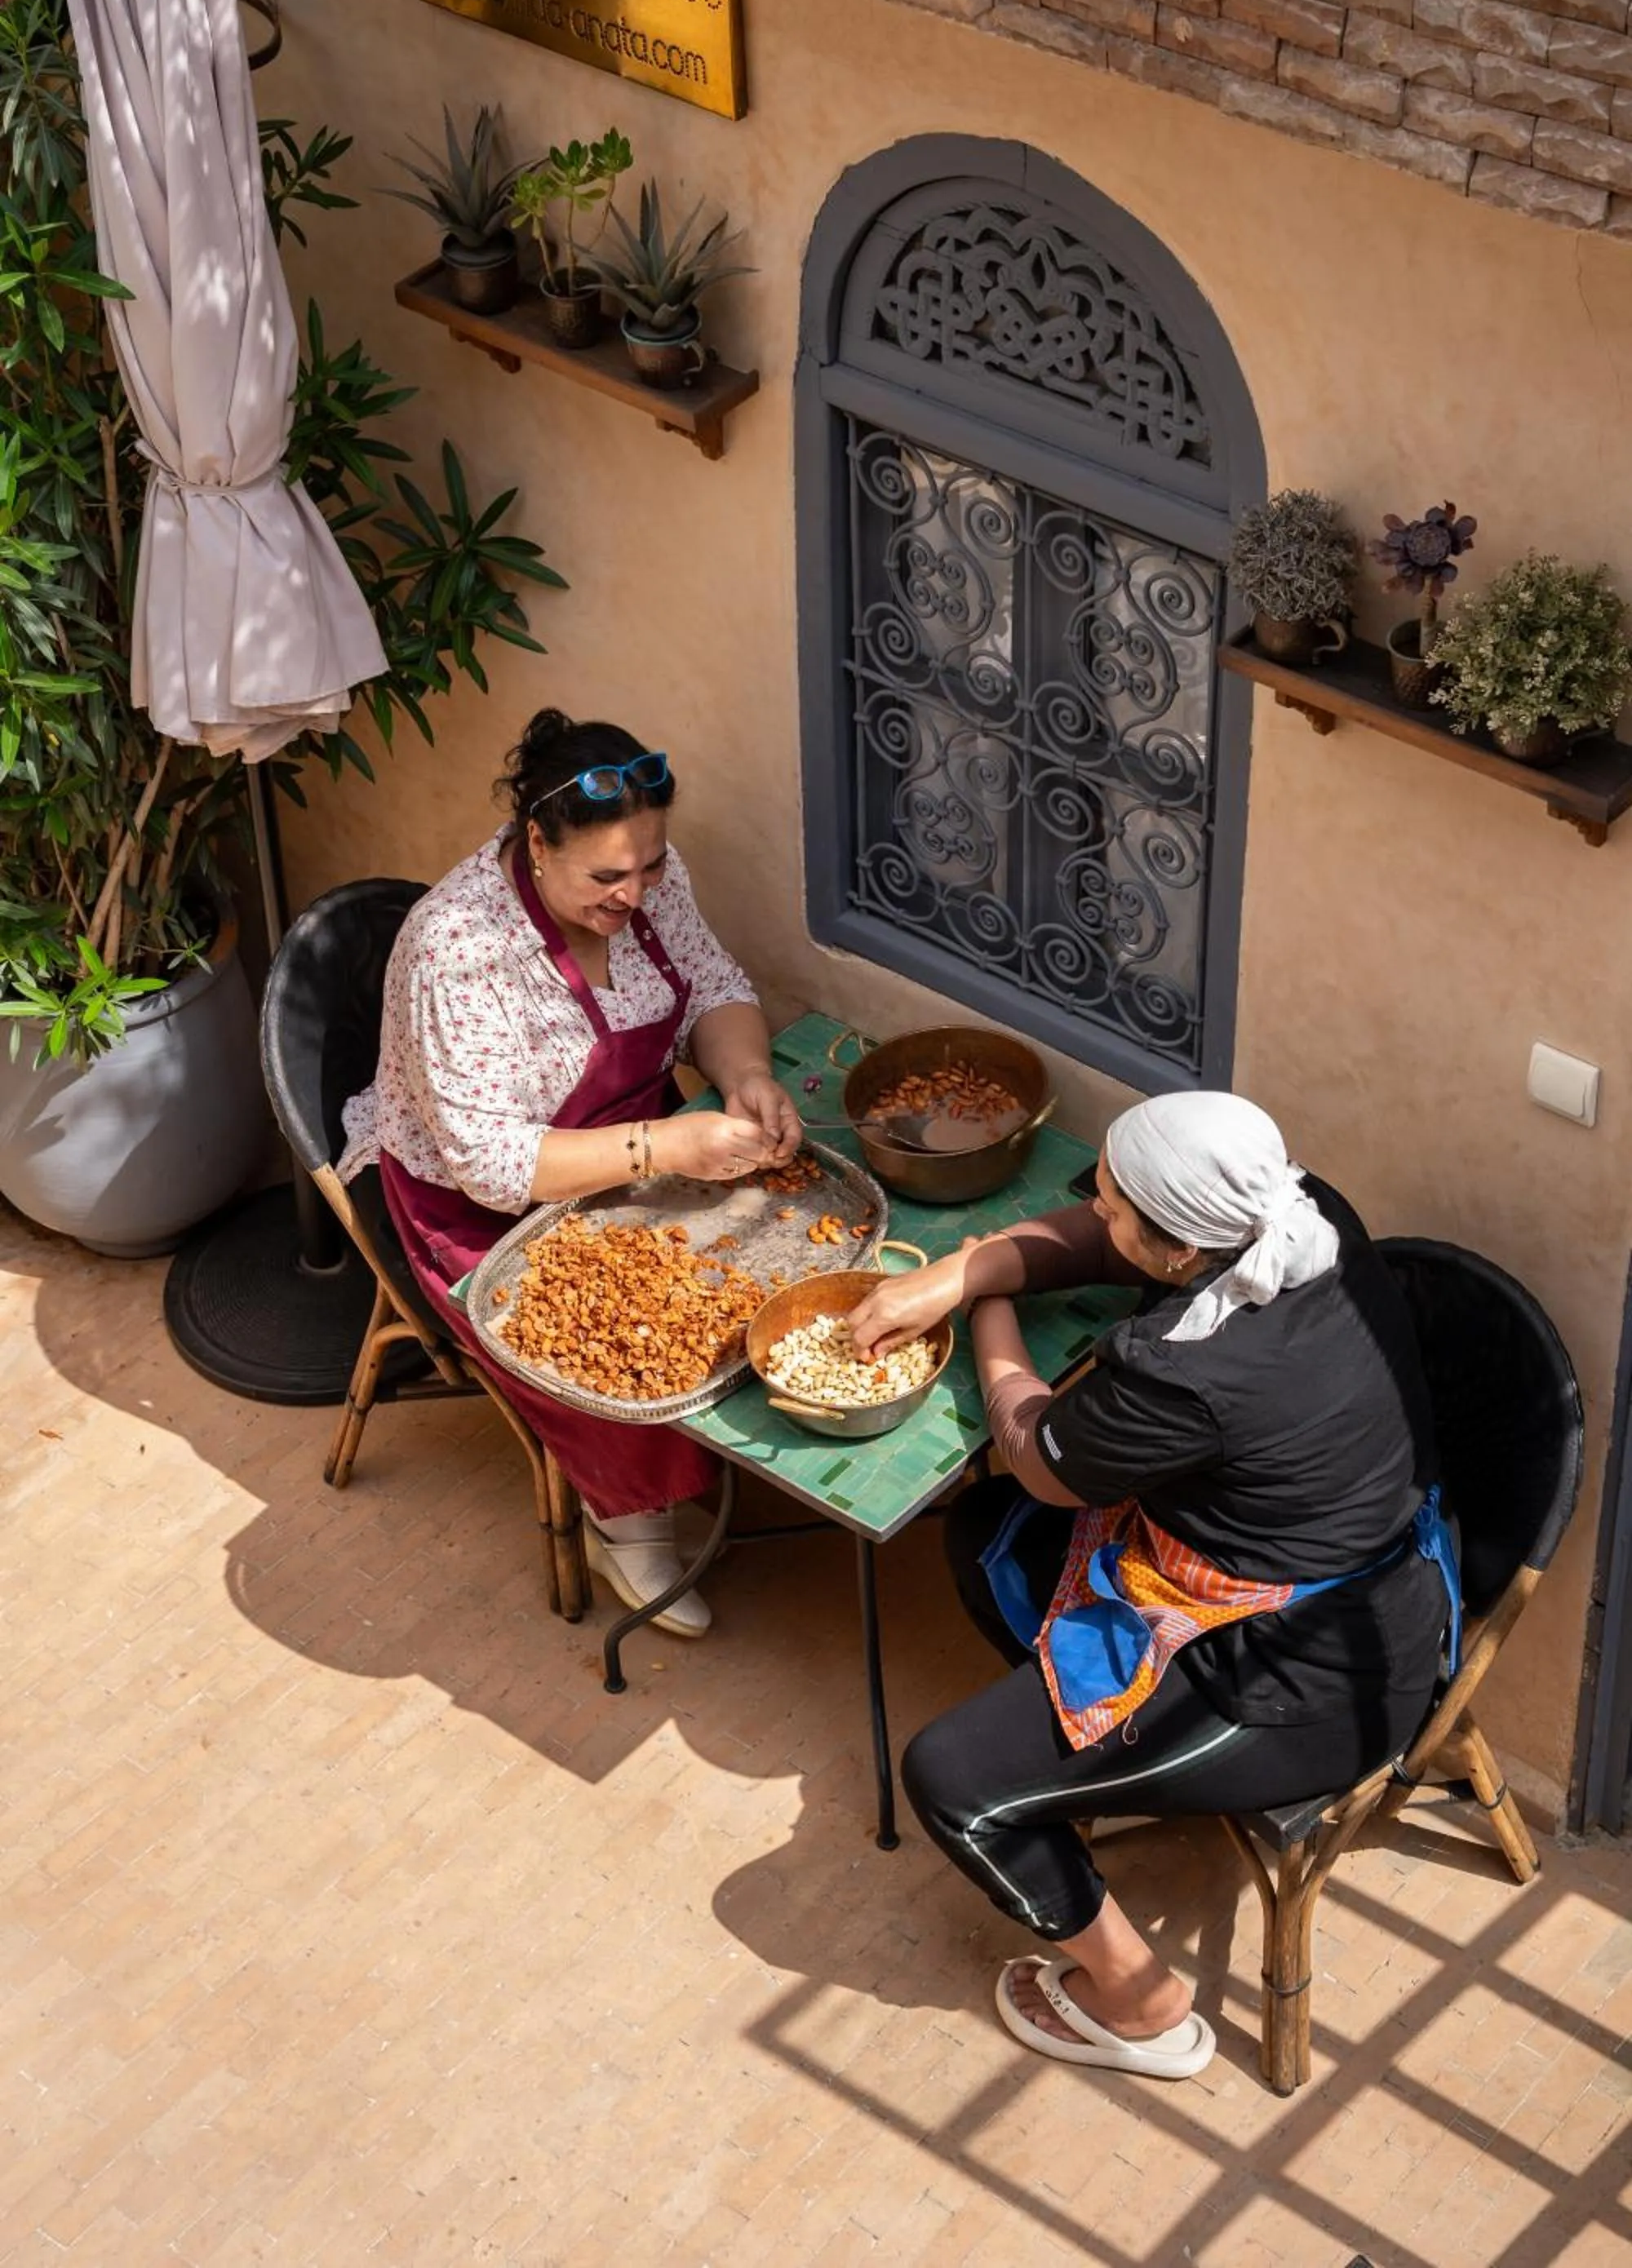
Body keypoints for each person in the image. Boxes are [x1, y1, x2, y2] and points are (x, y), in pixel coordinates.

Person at [846, 1092, 1456, 2080]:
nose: (1096, 1205)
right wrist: (962, 1266)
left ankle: (1137, 2000)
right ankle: (1082, 1761)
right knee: (986, 1538)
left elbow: (1038, 1454)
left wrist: (981, 1306)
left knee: (952, 1783)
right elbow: (1100, 1241)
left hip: (1305, 1681)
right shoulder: (1301, 1212)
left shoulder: (1183, 1374)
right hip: (1330, 1562)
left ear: (1179, 1253)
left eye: (1118, 1204)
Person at [340, 708, 803, 1636]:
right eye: (607, 876)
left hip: (631, 1144)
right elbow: (487, 1161)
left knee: (766, 1265)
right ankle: (626, 1519)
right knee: (623, 1344)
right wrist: (667, 1148)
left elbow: (713, 987)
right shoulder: (456, 948)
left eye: (651, 866)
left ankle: (715, 1454)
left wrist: (744, 1076)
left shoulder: (645, 884)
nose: (635, 894)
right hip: (482, 1204)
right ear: (536, 843)